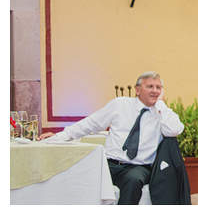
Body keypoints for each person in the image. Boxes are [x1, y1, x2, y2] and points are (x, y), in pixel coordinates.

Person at [38, 71, 184, 205]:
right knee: (79, 175)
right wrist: (59, 136)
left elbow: (174, 130)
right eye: (150, 86)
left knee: (133, 181)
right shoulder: (120, 104)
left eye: (158, 87)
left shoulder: (162, 114)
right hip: (109, 163)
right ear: (137, 90)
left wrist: (160, 104)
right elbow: (90, 124)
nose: (155, 90)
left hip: (138, 168)